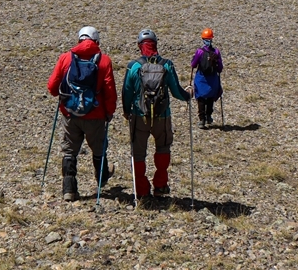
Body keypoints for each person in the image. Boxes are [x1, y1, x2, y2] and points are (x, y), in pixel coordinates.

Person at [47, 26, 117, 201]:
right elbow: (109, 91)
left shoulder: (65, 58)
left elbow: (52, 87)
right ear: (97, 41)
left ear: (79, 40)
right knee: (99, 148)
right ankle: (101, 180)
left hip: (70, 114)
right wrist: (109, 112)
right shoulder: (104, 61)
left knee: (70, 150)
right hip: (96, 114)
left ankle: (69, 189)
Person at [122, 29, 192, 200]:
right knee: (163, 148)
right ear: (155, 44)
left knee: (138, 154)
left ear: (140, 46)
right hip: (162, 117)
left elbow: (126, 92)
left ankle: (142, 190)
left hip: (140, 117)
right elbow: (176, 91)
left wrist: (126, 111)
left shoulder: (134, 66)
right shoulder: (166, 65)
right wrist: (188, 95)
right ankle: (160, 186)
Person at [191, 28, 223, 129]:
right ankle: (209, 116)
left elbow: (193, 64)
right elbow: (220, 68)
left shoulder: (199, 52)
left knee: (200, 97)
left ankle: (202, 120)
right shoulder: (216, 52)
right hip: (212, 78)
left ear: (203, 39)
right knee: (210, 97)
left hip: (201, 78)